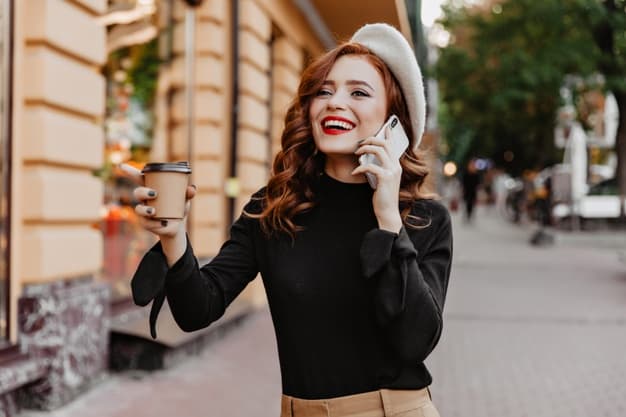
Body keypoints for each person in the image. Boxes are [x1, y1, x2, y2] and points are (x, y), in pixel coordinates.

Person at [124, 23, 452, 417]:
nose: (334, 102)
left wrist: (387, 219)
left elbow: (415, 341)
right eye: (324, 91)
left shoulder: (423, 218)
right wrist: (174, 236)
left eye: (359, 92)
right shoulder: (274, 209)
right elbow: (198, 310)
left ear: (393, 121)